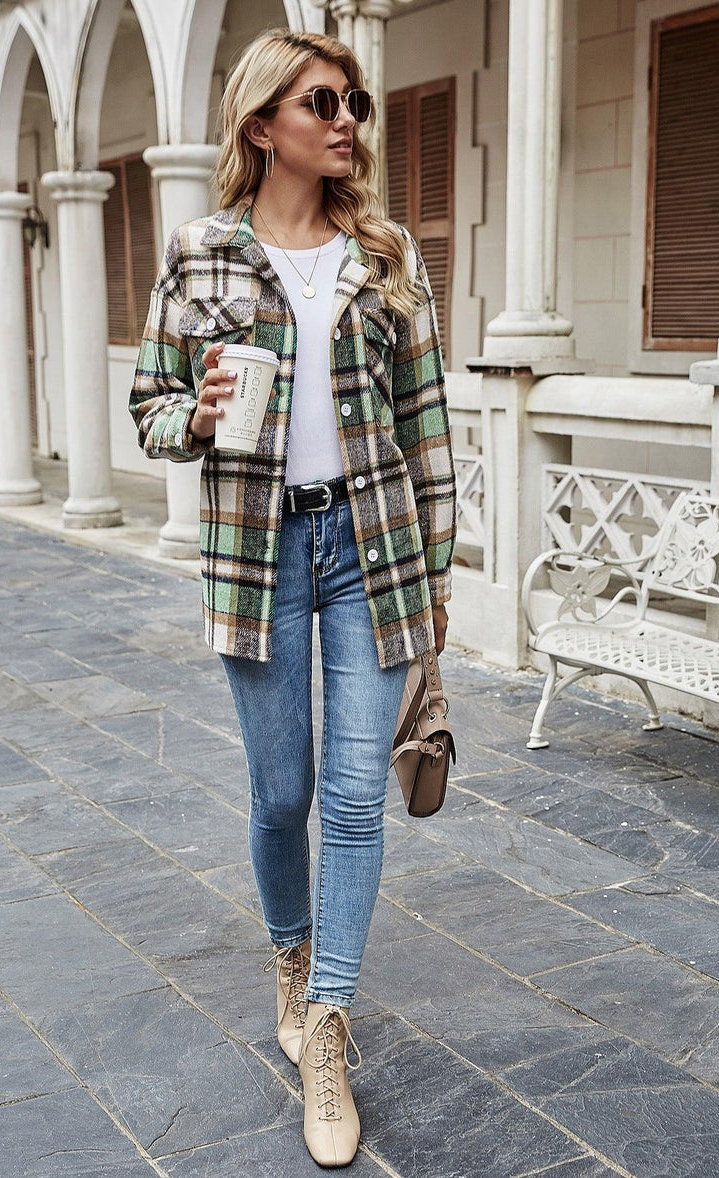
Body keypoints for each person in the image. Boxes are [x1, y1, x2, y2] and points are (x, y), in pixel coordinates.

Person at [129, 28, 455, 1169]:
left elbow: (426, 428)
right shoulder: (201, 254)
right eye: (322, 101)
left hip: (370, 550)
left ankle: (326, 1025)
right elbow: (149, 407)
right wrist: (199, 414)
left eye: (354, 100)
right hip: (257, 554)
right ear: (261, 123)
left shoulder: (386, 255)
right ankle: (290, 954)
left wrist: (435, 584)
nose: (347, 120)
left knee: (356, 802)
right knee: (282, 796)